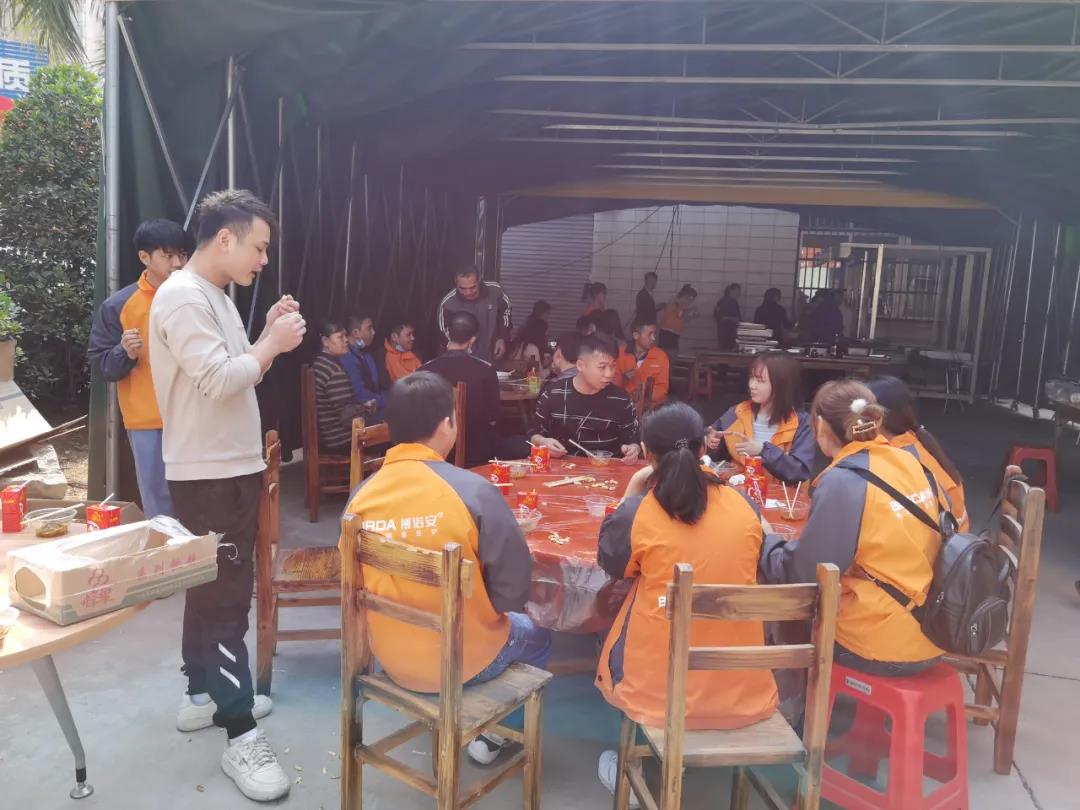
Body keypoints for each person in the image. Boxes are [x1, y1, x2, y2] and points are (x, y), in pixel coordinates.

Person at [149, 189, 305, 802]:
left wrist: (264, 335)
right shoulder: (184, 297)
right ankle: (239, 732)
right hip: (209, 474)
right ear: (224, 239)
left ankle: (200, 695)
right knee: (226, 599)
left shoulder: (213, 296)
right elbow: (218, 381)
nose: (263, 260)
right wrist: (272, 345)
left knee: (208, 587)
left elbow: (236, 369)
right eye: (258, 248)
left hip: (226, 467)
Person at [343, 371, 551, 765]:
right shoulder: (472, 491)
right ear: (446, 425)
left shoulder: (360, 497)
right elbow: (512, 592)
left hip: (389, 657)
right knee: (538, 632)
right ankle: (496, 736)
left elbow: (349, 579)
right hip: (464, 663)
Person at [594, 402, 778, 799]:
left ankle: (635, 768)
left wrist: (630, 493)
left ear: (647, 452)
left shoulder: (639, 511)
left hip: (658, 696)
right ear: (702, 448)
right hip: (742, 691)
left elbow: (612, 563)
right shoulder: (744, 505)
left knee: (613, 621)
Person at [760, 380, 945, 676]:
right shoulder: (909, 461)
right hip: (932, 629)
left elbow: (805, 575)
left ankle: (793, 699)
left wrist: (766, 540)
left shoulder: (843, 481)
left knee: (797, 616)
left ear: (821, 426)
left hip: (882, 640)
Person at [88, 219, 188, 518]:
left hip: (194, 416)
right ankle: (164, 548)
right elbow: (101, 365)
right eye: (167, 255)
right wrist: (125, 352)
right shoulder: (118, 305)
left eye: (182, 254)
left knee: (198, 493)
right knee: (158, 497)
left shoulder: (196, 297)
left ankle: (202, 547)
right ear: (144, 257)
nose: (177, 263)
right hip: (147, 420)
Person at [422, 311, 528, 466]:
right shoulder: (486, 369)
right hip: (478, 453)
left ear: (447, 333)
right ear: (473, 339)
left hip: (435, 452)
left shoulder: (425, 370)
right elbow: (495, 415)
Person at [866, 376, 969, 531]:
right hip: (955, 539)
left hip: (937, 542)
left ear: (877, 418)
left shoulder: (894, 458)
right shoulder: (916, 440)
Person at [705, 351, 814, 484]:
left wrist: (762, 450)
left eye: (760, 381)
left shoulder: (802, 422)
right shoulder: (737, 412)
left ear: (781, 385)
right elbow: (714, 456)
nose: (752, 385)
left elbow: (799, 471)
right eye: (752, 378)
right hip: (739, 491)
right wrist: (712, 444)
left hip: (783, 495)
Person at [529, 334, 641, 461]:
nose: (609, 374)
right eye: (602, 367)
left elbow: (634, 439)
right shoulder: (554, 392)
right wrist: (542, 441)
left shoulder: (621, 400)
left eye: (613, 366)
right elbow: (533, 432)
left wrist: (633, 449)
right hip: (561, 467)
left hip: (606, 468)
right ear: (580, 365)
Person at [312, 322, 367, 454]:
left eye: (345, 336)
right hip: (341, 442)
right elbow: (347, 418)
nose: (346, 340)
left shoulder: (319, 363)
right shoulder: (334, 371)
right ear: (325, 341)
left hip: (328, 437)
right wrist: (366, 408)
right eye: (340, 337)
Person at [437, 265, 511, 361]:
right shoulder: (448, 303)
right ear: (456, 284)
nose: (468, 292)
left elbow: (506, 312)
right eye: (462, 288)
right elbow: (444, 331)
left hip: (493, 353)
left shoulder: (495, 290)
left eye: (473, 287)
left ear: (479, 280)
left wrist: (502, 338)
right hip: (463, 358)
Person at [340, 314, 388, 423]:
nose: (373, 332)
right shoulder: (347, 357)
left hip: (375, 406)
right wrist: (389, 400)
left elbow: (376, 387)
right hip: (361, 414)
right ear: (356, 333)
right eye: (369, 328)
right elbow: (360, 395)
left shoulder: (366, 355)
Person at [615, 319, 670, 406]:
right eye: (650, 334)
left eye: (654, 334)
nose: (653, 338)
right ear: (636, 335)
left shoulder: (661, 356)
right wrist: (624, 379)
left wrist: (642, 395)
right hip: (623, 405)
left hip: (651, 408)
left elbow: (662, 389)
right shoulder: (620, 354)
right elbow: (611, 385)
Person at [507, 300, 551, 365]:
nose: (548, 316)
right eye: (547, 313)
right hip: (533, 355)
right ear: (542, 313)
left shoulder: (527, 322)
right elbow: (540, 343)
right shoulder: (542, 325)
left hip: (521, 356)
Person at [658, 284, 698, 351]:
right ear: (685, 296)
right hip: (667, 334)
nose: (690, 302)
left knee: (672, 353)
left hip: (674, 334)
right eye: (690, 299)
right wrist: (690, 309)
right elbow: (677, 307)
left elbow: (682, 319)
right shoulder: (674, 302)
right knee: (670, 353)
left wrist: (692, 316)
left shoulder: (680, 306)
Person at [713, 283, 742, 349]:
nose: (739, 294)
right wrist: (735, 319)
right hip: (729, 333)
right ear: (731, 291)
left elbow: (716, 316)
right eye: (737, 291)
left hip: (723, 333)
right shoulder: (731, 302)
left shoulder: (721, 301)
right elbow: (721, 317)